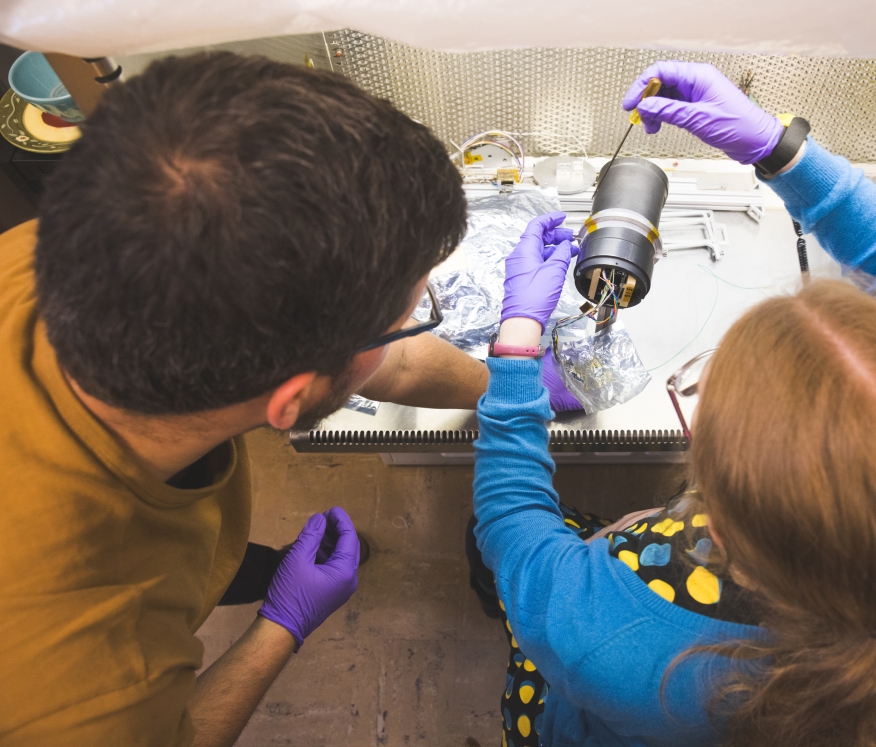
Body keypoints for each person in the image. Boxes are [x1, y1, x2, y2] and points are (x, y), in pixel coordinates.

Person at [0, 51, 570, 746]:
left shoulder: (67, 244)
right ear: (290, 401)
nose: (411, 328)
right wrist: (280, 626)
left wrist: (509, 384)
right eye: (411, 313)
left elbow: (373, 362)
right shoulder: (90, 680)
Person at [469, 61, 876, 747]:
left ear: (720, 530)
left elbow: (512, 523)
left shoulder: (605, 636)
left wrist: (516, 347)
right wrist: (778, 148)